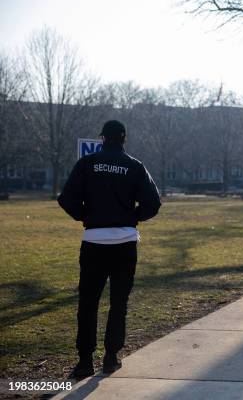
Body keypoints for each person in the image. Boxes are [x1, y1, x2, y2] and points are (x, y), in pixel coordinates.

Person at [58, 120, 161, 379]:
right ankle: (111, 357)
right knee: (118, 302)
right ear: (124, 139)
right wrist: (133, 217)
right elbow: (153, 202)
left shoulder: (87, 164)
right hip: (125, 243)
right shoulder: (135, 166)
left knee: (88, 301)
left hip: (93, 242)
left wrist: (86, 216)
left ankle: (84, 361)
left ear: (103, 138)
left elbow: (66, 198)